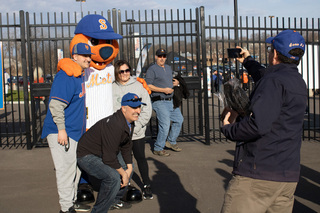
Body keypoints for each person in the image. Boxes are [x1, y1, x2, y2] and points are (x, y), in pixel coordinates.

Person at [220, 29, 307, 213]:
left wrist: (229, 129)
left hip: (259, 176)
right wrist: (249, 61)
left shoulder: (274, 81)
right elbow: (267, 77)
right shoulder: (297, 81)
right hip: (287, 177)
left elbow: (257, 125)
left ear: (274, 53)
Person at [41, 43, 94, 213]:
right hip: (62, 132)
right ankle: (65, 208)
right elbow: (55, 105)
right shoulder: (66, 75)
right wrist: (61, 129)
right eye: (84, 55)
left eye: (89, 55)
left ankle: (70, 202)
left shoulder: (78, 75)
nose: (88, 58)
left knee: (75, 170)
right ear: (75, 56)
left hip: (74, 133)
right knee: (65, 172)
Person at [77, 92, 145, 213]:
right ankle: (99, 211)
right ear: (124, 109)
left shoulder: (129, 122)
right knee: (113, 177)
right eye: (134, 108)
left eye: (139, 107)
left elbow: (126, 146)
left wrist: (129, 168)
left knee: (129, 166)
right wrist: (124, 174)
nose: (138, 111)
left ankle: (113, 200)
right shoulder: (116, 124)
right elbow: (109, 158)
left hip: (103, 152)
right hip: (87, 155)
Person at [112, 60, 153, 199]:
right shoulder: (111, 87)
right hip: (119, 133)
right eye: (121, 71)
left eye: (127, 70)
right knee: (122, 161)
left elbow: (147, 108)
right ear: (117, 72)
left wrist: (139, 124)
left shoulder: (138, 86)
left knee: (140, 158)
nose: (124, 74)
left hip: (136, 133)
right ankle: (123, 186)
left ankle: (146, 185)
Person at [145, 48, 183, 157]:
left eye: (164, 56)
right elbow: (148, 85)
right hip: (159, 101)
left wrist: (176, 83)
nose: (162, 58)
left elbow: (168, 81)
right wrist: (164, 90)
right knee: (165, 125)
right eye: (160, 56)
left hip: (170, 101)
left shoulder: (168, 67)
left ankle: (170, 141)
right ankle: (158, 148)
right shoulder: (152, 69)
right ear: (156, 57)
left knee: (179, 120)